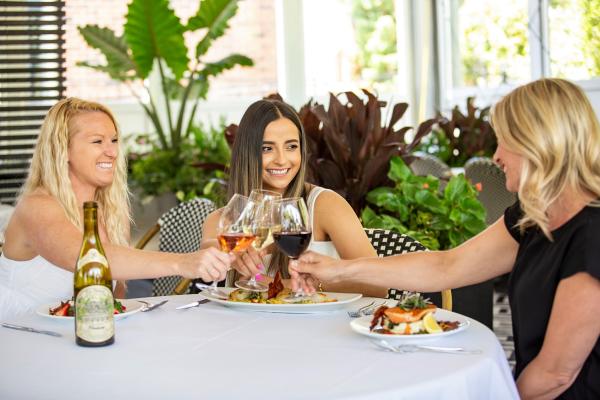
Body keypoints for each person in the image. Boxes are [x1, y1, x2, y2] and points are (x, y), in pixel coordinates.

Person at [290, 78, 600, 399]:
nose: (496, 156)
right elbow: (446, 267)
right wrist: (339, 269)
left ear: (540, 143)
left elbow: (556, 375)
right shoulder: (536, 216)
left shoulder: (592, 235)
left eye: (505, 142)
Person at [0, 98, 234, 320]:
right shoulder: (36, 206)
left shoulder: (111, 212)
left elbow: (114, 298)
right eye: (97, 141)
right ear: (63, 150)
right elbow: (86, 258)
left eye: (113, 140)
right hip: (17, 341)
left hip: (79, 343)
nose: (112, 152)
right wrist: (183, 262)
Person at [201, 99, 381, 295]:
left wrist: (280, 286)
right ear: (247, 153)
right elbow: (207, 265)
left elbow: (377, 285)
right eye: (267, 148)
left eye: (291, 146)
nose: (281, 159)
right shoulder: (221, 221)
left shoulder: (326, 206)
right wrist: (215, 255)